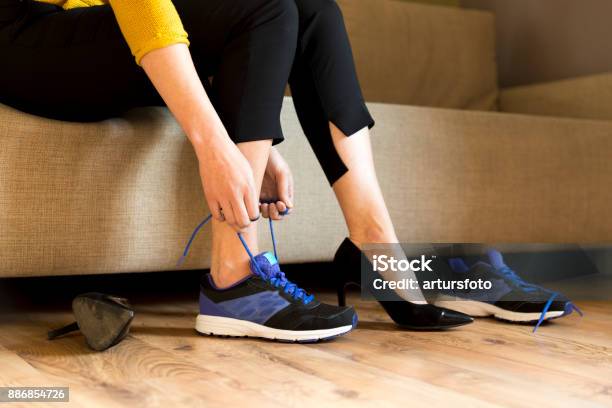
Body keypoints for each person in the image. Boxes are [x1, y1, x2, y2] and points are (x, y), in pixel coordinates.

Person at [0, 0, 473, 342]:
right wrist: (213, 145)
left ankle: (376, 245)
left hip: (100, 27)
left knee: (313, 10)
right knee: (265, 8)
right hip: (24, 36)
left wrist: (258, 143)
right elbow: (144, 7)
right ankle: (234, 276)